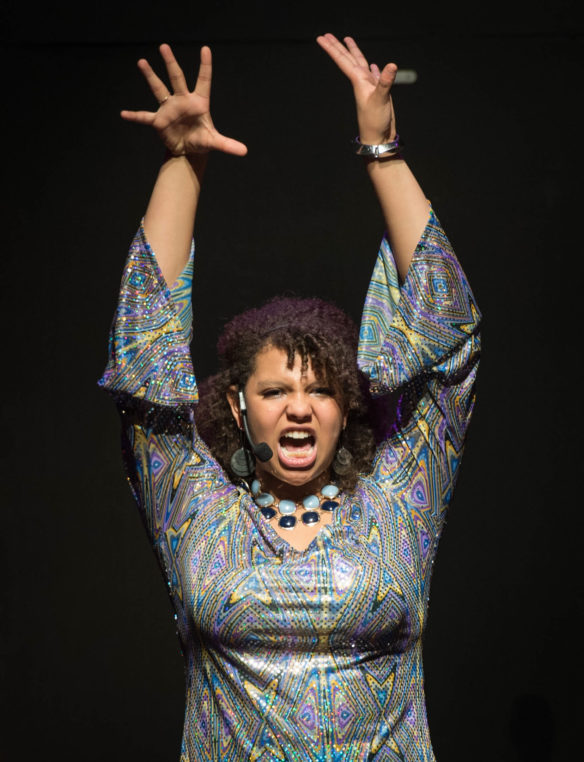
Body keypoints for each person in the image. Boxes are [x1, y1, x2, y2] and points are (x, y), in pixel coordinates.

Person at [100, 33, 480, 761]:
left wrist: (384, 148)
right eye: (275, 390)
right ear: (241, 409)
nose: (299, 407)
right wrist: (184, 161)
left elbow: (451, 340)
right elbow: (143, 357)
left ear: (346, 410)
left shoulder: (398, 497)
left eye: (321, 391)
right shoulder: (195, 504)